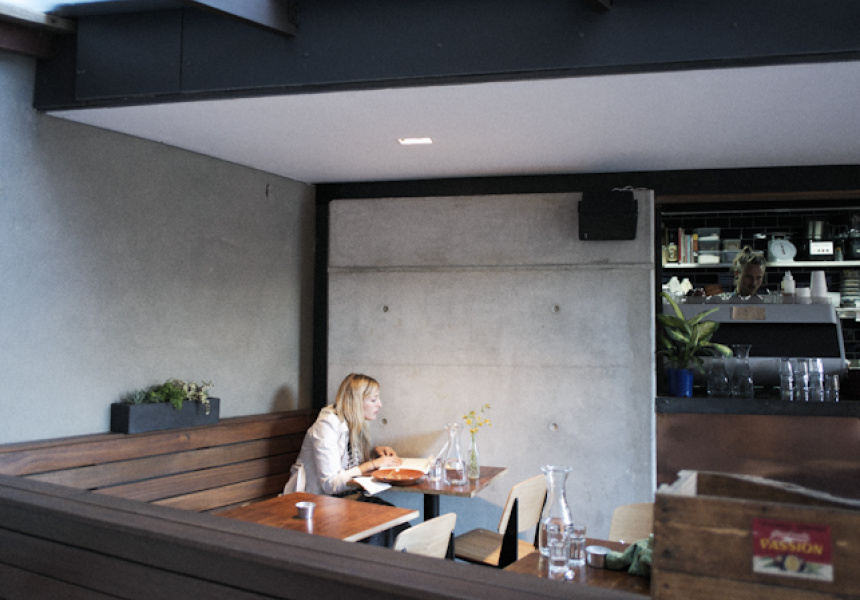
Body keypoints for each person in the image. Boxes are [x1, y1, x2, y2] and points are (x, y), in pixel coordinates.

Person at [283, 373, 406, 546]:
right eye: (373, 399)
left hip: (343, 500)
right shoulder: (326, 427)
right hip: (314, 503)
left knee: (394, 518)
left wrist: (373, 455)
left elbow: (349, 465)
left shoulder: (354, 423)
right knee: (380, 524)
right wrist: (371, 465)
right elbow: (330, 484)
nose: (380, 404)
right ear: (356, 401)